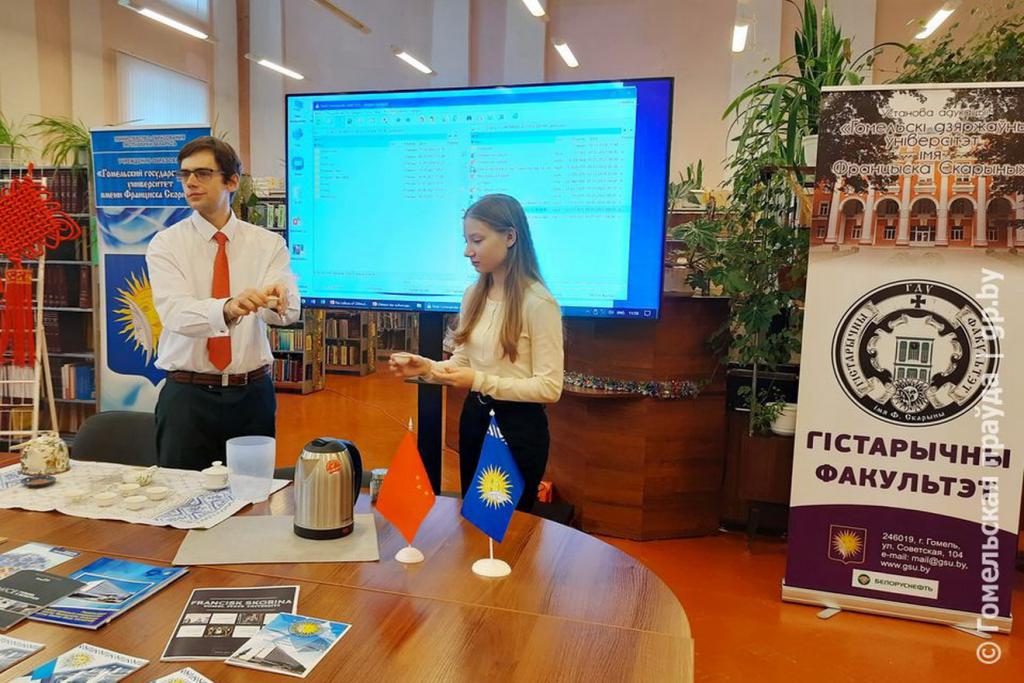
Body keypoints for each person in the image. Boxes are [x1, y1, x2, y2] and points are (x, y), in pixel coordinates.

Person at [389, 194, 563, 511]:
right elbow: (463, 362)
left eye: (477, 240)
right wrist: (426, 367)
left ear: (510, 237)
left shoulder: (539, 303)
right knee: (474, 518)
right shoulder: (473, 295)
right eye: (466, 241)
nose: (467, 251)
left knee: (503, 526)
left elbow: (549, 387)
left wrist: (479, 381)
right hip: (475, 419)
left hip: (517, 428)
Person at [147, 136, 300, 470]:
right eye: (184, 174)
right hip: (187, 397)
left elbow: (287, 314)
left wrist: (279, 300)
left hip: (251, 395)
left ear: (231, 181)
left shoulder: (267, 244)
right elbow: (175, 314)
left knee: (252, 492)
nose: (190, 182)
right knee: (182, 493)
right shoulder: (166, 245)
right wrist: (229, 307)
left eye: (202, 173)